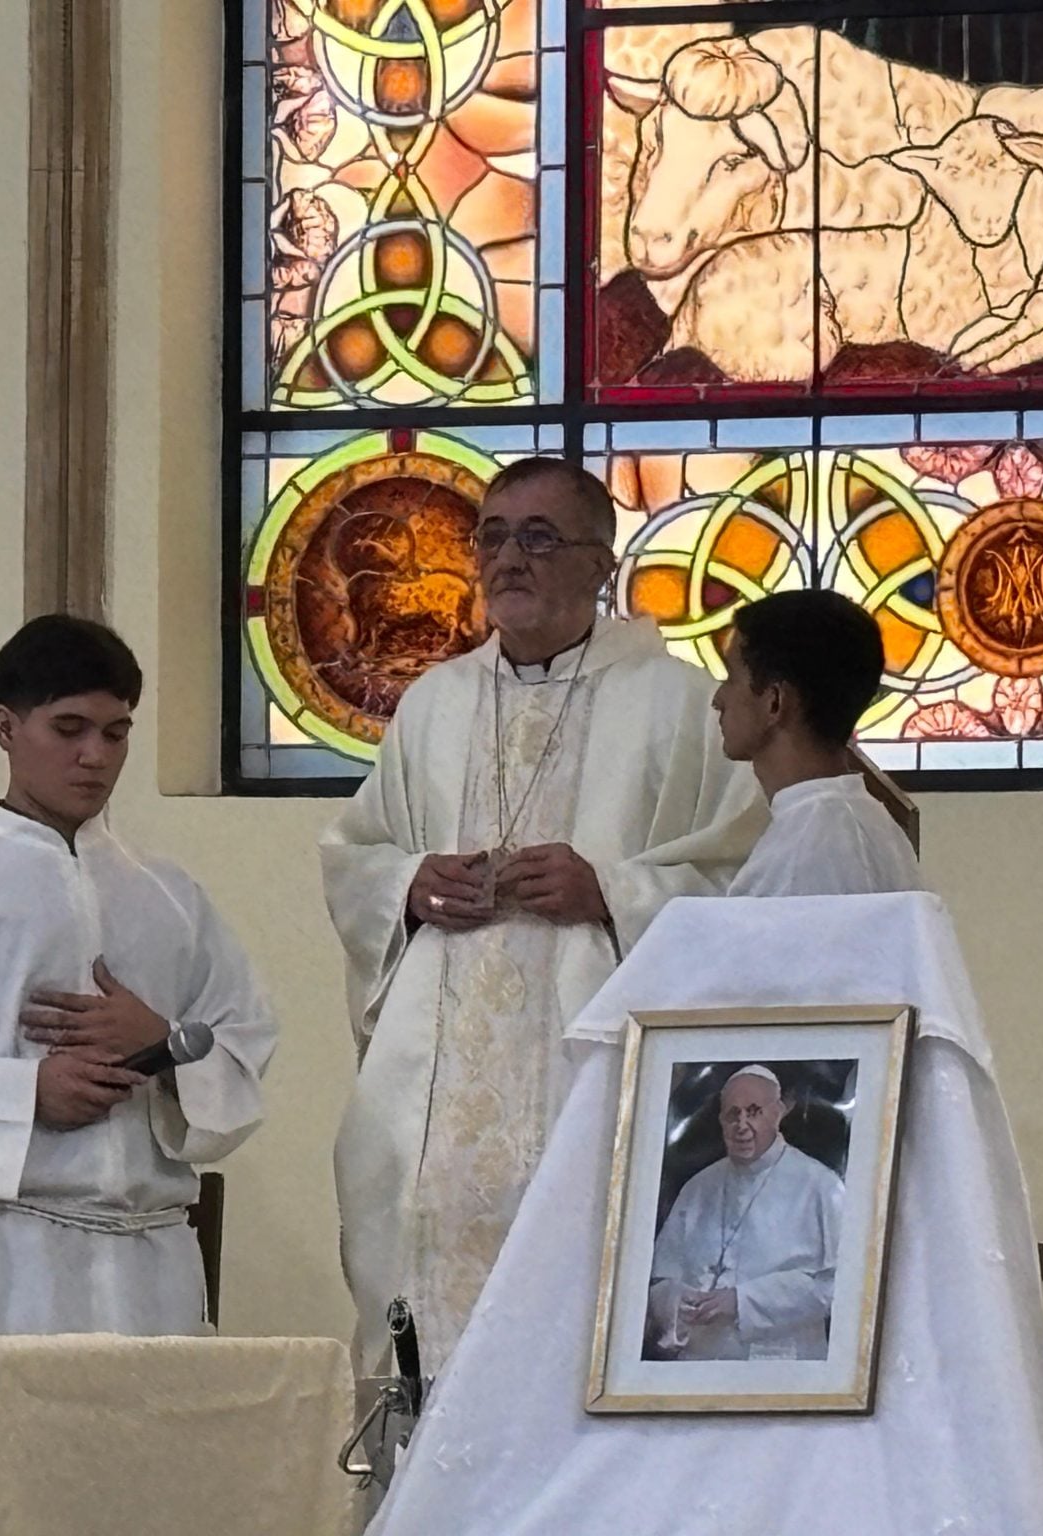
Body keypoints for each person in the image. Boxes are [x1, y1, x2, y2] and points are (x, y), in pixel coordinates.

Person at [323, 456, 764, 1372]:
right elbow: (356, 853)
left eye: (538, 538)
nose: (508, 559)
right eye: (492, 537)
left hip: (590, 1078)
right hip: (433, 1092)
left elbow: (746, 885)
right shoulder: (434, 704)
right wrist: (411, 885)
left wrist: (612, 893)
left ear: (601, 563)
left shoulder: (678, 706)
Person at [0, 616, 276, 1335]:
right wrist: (28, 1093)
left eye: (116, 733)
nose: (96, 756)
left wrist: (163, 1043)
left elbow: (244, 1043)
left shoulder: (171, 897)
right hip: (3, 1258)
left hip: (151, 1261)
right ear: (5, 726)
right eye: (69, 728)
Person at [713, 590, 922, 897]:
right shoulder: (873, 822)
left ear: (774, 701)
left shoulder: (805, 848)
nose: (718, 699)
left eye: (731, 678)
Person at [647, 1064, 841, 1361]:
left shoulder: (821, 1186)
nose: (742, 1124)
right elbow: (660, 1279)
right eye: (732, 1114)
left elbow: (835, 1287)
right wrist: (676, 1301)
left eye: (754, 1112)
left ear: (777, 1113)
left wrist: (742, 1301)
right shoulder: (698, 1187)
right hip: (699, 1367)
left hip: (783, 1367)